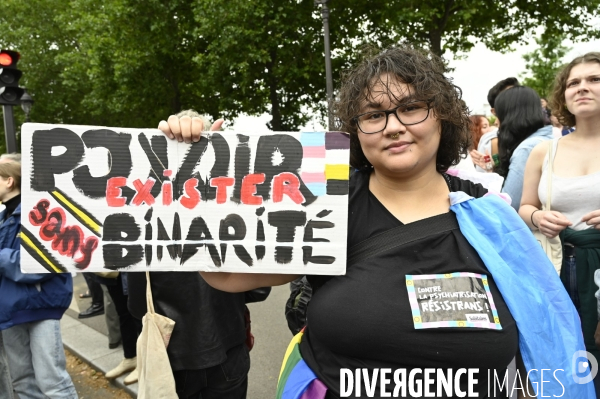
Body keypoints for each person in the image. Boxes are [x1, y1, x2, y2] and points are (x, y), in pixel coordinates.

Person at [159, 47, 588, 398]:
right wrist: (193, 163)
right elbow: (228, 274)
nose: (394, 126)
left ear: (442, 116)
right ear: (356, 130)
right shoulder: (326, 203)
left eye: (411, 108)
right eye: (374, 114)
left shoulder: (492, 217)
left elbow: (544, 334)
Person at [519, 51, 600, 395]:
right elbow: (524, 207)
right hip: (558, 268)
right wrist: (537, 216)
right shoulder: (544, 151)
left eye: (594, 79)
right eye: (573, 82)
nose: (582, 88)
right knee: (569, 358)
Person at [0, 160, 78, 399]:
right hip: (9, 309)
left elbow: (45, 261)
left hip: (38, 305)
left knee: (53, 383)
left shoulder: (42, 211)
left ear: (8, 181)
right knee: (22, 382)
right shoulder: (5, 217)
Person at [493, 86, 553, 211]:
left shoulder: (527, 149)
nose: (496, 122)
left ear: (510, 116)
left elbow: (509, 205)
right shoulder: (551, 137)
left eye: (499, 115)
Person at [471, 77, 519, 171]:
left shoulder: (540, 135)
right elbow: (486, 177)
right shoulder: (490, 141)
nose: (516, 102)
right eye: (509, 99)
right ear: (495, 111)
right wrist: (491, 169)